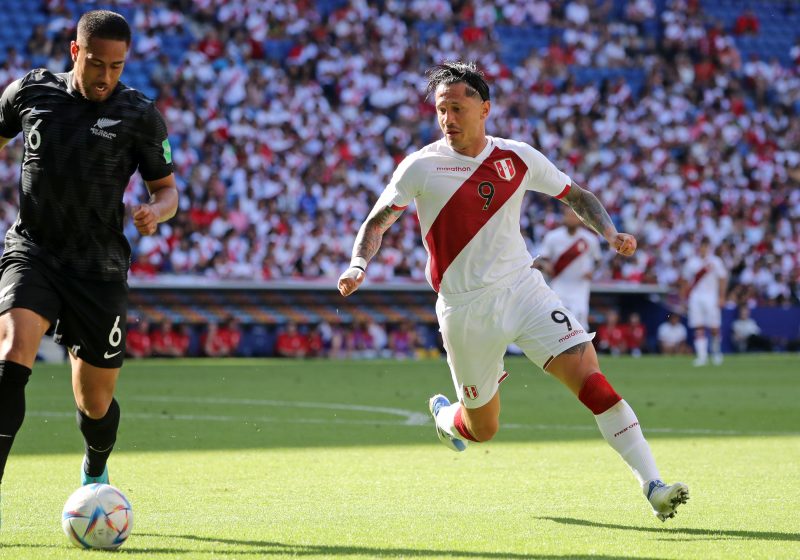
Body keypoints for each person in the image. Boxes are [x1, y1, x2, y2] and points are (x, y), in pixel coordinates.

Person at [338, 61, 688, 522]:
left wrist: (610, 233)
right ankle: (445, 417)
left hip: (523, 289)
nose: (447, 118)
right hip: (465, 309)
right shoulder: (421, 166)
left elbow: (577, 196)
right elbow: (377, 221)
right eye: (441, 109)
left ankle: (653, 485)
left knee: (592, 381)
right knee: (482, 428)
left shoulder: (517, 158)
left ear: (485, 109)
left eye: (457, 108)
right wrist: (358, 264)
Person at [0, 9, 178, 520]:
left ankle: (95, 469)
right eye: (97, 63)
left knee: (95, 402)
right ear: (76, 51)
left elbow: (167, 191)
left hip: (98, 269)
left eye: (116, 67)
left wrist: (155, 213)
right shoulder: (31, 92)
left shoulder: (140, 114)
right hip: (33, 251)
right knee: (11, 355)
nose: (106, 76)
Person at [538, 206, 600, 328]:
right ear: (564, 217)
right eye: (568, 216)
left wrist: (592, 272)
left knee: (579, 321)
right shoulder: (552, 237)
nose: (571, 219)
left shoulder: (590, 239)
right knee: (557, 320)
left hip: (580, 285)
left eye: (574, 216)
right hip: (559, 283)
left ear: (580, 219)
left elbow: (598, 261)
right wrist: (546, 266)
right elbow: (543, 258)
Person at [680, 237, 727, 366]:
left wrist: (722, 297)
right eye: (701, 246)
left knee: (714, 327)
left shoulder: (715, 261)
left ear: (709, 248)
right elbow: (685, 281)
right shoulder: (692, 262)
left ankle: (716, 353)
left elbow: (722, 279)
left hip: (712, 297)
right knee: (698, 326)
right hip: (695, 297)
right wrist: (683, 298)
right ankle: (702, 356)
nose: (703, 249)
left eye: (706, 246)